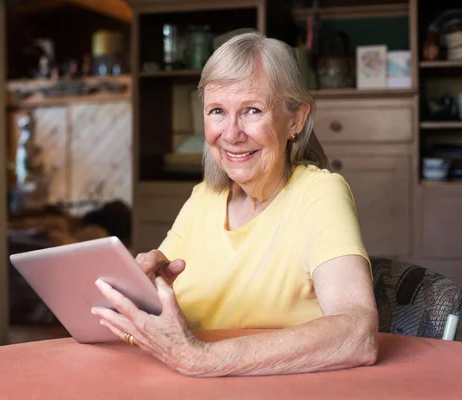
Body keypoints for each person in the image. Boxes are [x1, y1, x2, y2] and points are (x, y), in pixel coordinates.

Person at [92, 32, 379, 377]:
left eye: (252, 111)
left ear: (295, 120)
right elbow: (167, 320)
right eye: (217, 111)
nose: (231, 133)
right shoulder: (204, 197)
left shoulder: (318, 194)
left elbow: (358, 332)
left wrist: (203, 358)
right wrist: (147, 292)